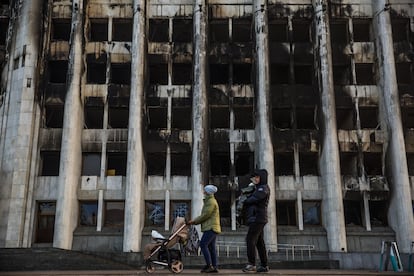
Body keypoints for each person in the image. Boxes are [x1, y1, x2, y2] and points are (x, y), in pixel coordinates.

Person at [188, 184, 221, 273]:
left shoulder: (210, 202)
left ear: (208, 192)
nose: (203, 191)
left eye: (205, 190)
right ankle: (214, 266)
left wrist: (194, 221)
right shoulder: (209, 201)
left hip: (211, 227)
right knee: (211, 247)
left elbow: (205, 215)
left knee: (203, 244)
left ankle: (209, 265)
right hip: (212, 227)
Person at [242, 169, 270, 273]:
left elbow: (252, 200)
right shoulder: (257, 188)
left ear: (262, 177)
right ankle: (264, 265)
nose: (255, 179)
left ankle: (251, 264)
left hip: (258, 218)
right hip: (257, 218)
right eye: (254, 177)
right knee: (259, 242)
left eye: (257, 177)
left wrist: (246, 198)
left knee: (250, 239)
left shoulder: (262, 189)